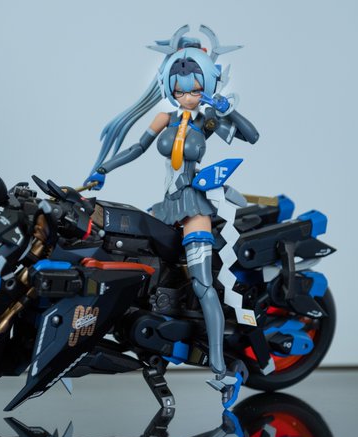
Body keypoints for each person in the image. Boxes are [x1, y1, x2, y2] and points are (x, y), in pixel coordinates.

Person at [85, 27, 259, 407]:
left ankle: (219, 368)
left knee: (203, 284)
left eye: (194, 89)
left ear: (206, 85)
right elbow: (136, 147)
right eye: (180, 90)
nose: (187, 96)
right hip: (165, 207)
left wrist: (228, 109)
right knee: (141, 268)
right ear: (169, 86)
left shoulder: (207, 120)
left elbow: (252, 136)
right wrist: (103, 169)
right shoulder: (164, 118)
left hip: (195, 205)